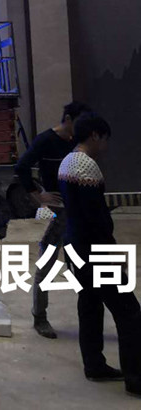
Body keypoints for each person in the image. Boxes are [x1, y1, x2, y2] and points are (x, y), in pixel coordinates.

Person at [58, 112, 141, 396]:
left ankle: (94, 365)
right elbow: (97, 218)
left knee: (90, 304)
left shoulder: (67, 161)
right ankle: (136, 379)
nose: (105, 146)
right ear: (95, 135)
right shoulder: (87, 166)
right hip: (95, 250)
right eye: (105, 140)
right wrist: (113, 251)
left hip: (74, 245)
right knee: (129, 312)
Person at [14, 100, 90, 338]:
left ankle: (89, 315)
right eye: (80, 122)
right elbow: (22, 167)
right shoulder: (46, 140)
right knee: (47, 263)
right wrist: (38, 195)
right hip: (58, 211)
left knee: (81, 263)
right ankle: (40, 316)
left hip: (77, 210)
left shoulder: (77, 142)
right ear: (68, 119)